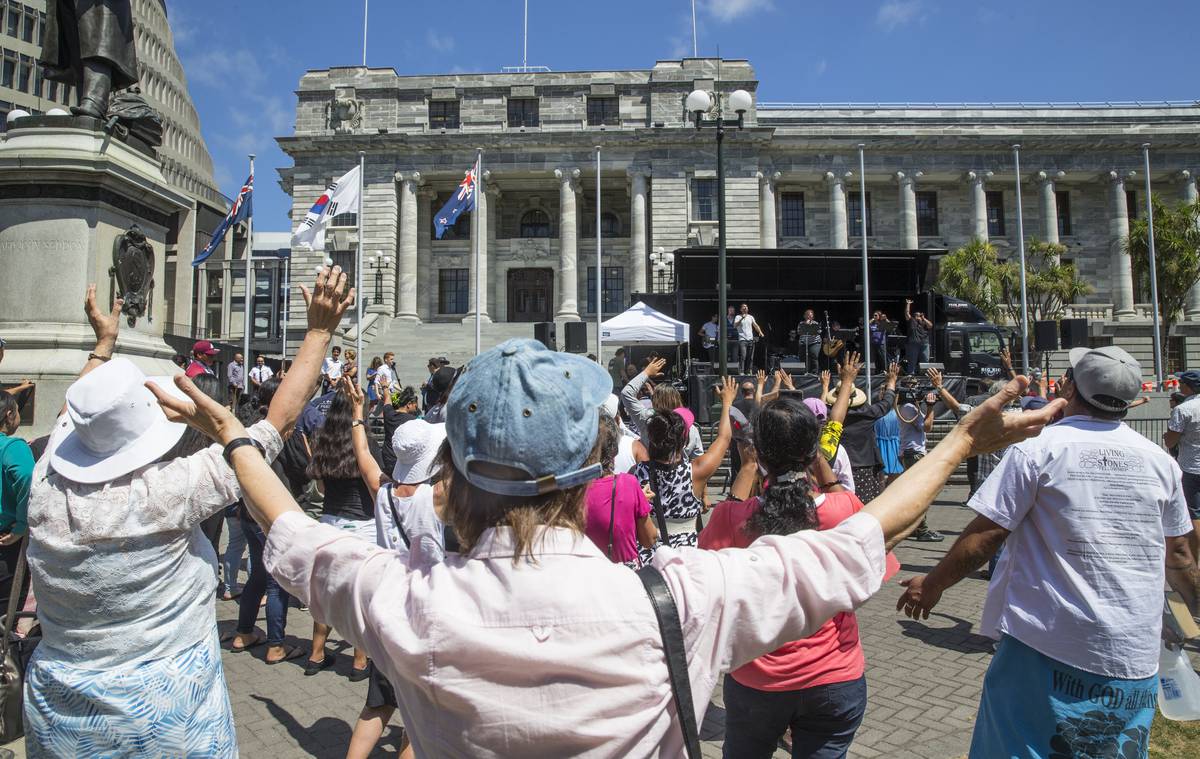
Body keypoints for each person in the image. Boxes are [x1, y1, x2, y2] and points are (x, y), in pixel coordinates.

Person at [156, 333, 1061, 756]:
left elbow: (293, 528)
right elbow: (868, 532)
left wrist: (239, 435)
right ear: (601, 464)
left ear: (456, 470)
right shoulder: (680, 593)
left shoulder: (402, 595)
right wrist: (963, 441)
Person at [23, 271, 352, 758]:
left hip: (59, 704)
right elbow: (275, 423)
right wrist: (320, 332)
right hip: (167, 708)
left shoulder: (44, 478)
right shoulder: (169, 491)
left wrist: (102, 347)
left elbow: (82, 415)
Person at [897, 346, 1200, 759]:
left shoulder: (1038, 449)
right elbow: (1179, 554)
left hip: (1044, 646)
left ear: (1068, 387)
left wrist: (931, 585)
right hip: (1131, 653)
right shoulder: (1159, 461)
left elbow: (987, 535)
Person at [700, 396, 901, 758]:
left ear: (757, 454)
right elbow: (880, 569)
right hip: (835, 678)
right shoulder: (848, 511)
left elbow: (705, 590)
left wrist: (746, 472)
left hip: (756, 679)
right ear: (813, 452)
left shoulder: (730, 518)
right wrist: (821, 466)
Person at [343, 380, 443, 759]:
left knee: (378, 703)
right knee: (421, 721)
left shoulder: (382, 492)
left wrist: (357, 416)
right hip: (425, 612)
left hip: (387, 608)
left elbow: (364, 457)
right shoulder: (436, 497)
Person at [226, 377, 301, 666]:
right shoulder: (280, 430)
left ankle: (243, 632)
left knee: (258, 573)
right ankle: (276, 645)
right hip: (270, 513)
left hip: (248, 510)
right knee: (275, 580)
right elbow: (300, 467)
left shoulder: (248, 428)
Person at [303, 385, 377, 680]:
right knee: (361, 596)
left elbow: (320, 488)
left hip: (329, 522)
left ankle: (316, 654)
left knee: (326, 594)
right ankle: (360, 661)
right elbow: (375, 486)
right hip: (362, 525)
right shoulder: (365, 443)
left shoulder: (322, 440)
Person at [633, 378, 736, 563]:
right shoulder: (695, 472)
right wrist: (727, 402)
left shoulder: (635, 473)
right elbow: (724, 438)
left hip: (648, 557)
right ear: (683, 441)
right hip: (685, 559)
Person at [584, 415, 658, 568]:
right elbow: (649, 540)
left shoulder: (573, 491)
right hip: (626, 574)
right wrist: (639, 501)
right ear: (614, 450)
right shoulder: (629, 484)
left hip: (588, 574)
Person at [828, 362, 900, 502]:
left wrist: (836, 383)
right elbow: (887, 402)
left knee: (841, 503)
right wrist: (891, 382)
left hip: (838, 465)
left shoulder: (830, 414)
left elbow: (815, 407)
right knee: (866, 506)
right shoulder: (868, 412)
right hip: (865, 466)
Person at [620, 357, 704, 459]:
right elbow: (698, 459)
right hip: (680, 473)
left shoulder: (647, 419)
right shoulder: (690, 427)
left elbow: (626, 393)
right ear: (678, 399)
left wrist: (646, 373)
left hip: (649, 472)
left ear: (655, 401)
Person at [896, 379, 943, 541]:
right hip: (913, 454)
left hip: (911, 452)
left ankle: (916, 527)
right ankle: (922, 530)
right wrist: (930, 406)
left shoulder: (910, 407)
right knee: (919, 493)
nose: (916, 389)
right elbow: (927, 426)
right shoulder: (908, 408)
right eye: (911, 386)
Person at [0, 392, 32, 612]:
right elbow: (27, 477)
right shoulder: (12, 447)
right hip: (6, 541)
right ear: (9, 414)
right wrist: (22, 525)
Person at [1165, 369, 1200, 561]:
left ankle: (1195, 560)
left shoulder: (1183, 409)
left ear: (1187, 386)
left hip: (1191, 467)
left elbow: (1170, 442)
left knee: (1194, 515)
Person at [381, 386, 420, 476]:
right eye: (415, 406)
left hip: (387, 458)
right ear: (409, 404)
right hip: (402, 460)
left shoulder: (389, 414)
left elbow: (387, 399)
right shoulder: (413, 420)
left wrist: (385, 387)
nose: (416, 409)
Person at [734, 303, 765, 374]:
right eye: (743, 307)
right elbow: (735, 325)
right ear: (741, 309)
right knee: (743, 356)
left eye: (746, 307)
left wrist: (760, 332)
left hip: (750, 339)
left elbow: (755, 325)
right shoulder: (738, 317)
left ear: (747, 309)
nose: (745, 308)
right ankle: (741, 371)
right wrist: (742, 318)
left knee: (750, 357)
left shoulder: (751, 317)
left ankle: (749, 371)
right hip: (742, 339)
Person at [904, 299, 932, 374]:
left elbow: (930, 326)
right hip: (913, 344)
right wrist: (908, 304)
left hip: (924, 343)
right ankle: (911, 376)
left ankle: (924, 375)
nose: (918, 317)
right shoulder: (912, 321)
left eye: (919, 315)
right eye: (916, 315)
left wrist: (923, 319)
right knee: (912, 361)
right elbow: (907, 313)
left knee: (925, 360)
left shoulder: (924, 323)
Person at [797, 309, 822, 374]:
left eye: (810, 315)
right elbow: (799, 332)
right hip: (804, 342)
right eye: (807, 315)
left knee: (814, 355)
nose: (809, 317)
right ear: (804, 316)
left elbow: (818, 332)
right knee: (802, 357)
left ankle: (814, 372)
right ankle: (804, 371)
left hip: (814, 342)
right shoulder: (801, 323)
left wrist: (811, 327)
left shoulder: (816, 323)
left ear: (813, 317)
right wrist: (806, 325)